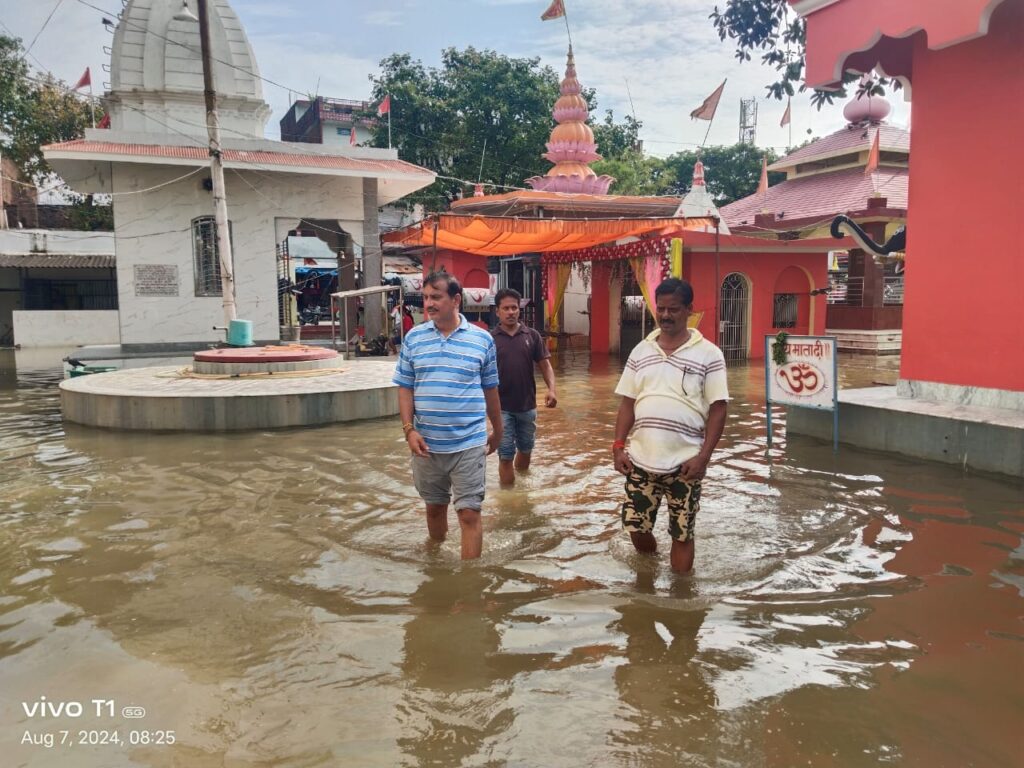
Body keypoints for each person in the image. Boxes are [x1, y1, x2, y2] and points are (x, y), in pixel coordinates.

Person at [612, 278, 728, 573]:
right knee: (636, 529)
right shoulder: (640, 351)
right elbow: (627, 403)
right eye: (660, 309)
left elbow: (718, 408)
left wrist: (704, 457)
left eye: (673, 309)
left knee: (682, 534)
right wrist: (618, 447)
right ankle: (650, 573)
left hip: (686, 464)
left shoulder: (709, 354)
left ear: (689, 310)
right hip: (640, 460)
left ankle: (680, 597)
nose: (665, 315)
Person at [393, 272, 503, 560]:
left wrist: (499, 431)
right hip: (426, 443)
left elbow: (491, 389)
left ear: (456, 300)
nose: (428, 304)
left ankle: (469, 586)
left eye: (436, 297)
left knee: (468, 513)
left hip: (469, 442)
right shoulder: (414, 339)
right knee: (435, 507)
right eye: (426, 297)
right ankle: (438, 565)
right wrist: (409, 430)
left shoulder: (482, 340)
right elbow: (405, 387)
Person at [490, 288, 557, 486]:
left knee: (526, 450)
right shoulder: (490, 339)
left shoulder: (532, 336)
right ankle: (509, 500)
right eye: (506, 308)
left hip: (528, 406)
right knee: (505, 455)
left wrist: (552, 389)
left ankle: (522, 492)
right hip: (500, 408)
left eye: (514, 308)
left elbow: (545, 365)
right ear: (498, 311)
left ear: (519, 310)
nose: (510, 312)